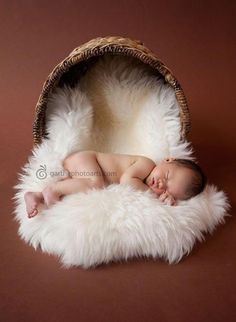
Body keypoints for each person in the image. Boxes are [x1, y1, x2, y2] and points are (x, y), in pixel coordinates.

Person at [24, 150, 207, 218]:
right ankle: (52, 190)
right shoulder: (147, 164)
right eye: (166, 175)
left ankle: (36, 196)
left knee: (85, 187)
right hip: (87, 159)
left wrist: (163, 197)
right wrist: (156, 196)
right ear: (167, 159)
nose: (160, 183)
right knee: (95, 184)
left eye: (166, 189)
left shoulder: (148, 182)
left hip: (81, 173)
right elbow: (127, 180)